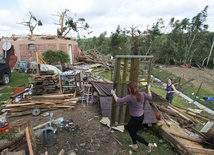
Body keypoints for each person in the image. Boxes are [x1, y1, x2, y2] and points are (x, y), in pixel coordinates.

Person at [111, 82, 156, 153]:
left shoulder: (130, 97)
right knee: (133, 131)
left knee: (131, 131)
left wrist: (113, 94)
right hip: (141, 117)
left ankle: (148, 144)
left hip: (135, 118)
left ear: (129, 89)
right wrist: (149, 88)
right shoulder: (142, 94)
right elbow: (150, 97)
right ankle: (135, 145)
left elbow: (118, 100)